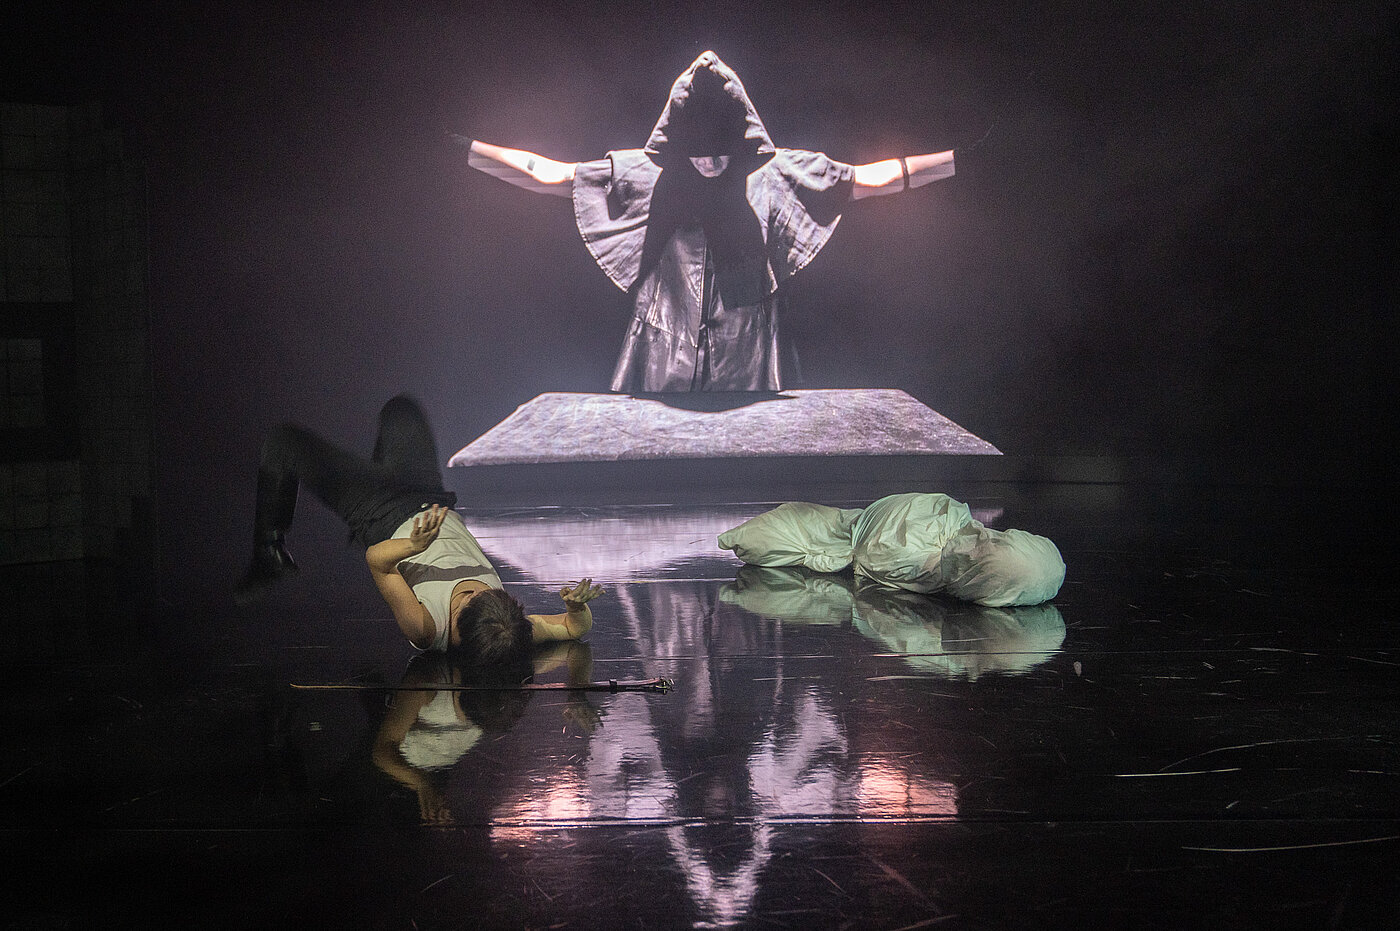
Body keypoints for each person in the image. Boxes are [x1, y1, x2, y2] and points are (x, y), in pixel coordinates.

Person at [461, 50, 956, 393]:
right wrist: (466, 151)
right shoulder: (645, 175)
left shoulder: (774, 175)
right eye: (698, 152)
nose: (710, 163)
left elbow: (868, 179)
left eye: (721, 151)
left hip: (751, 348)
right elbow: (549, 173)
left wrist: (956, 162)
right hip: (663, 340)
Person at [235, 395, 603, 664]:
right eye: (483, 593)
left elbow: (377, 562)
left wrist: (412, 546)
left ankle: (269, 554)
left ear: (456, 630)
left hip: (381, 514)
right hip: (430, 497)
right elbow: (574, 629)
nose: (472, 590)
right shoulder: (508, 628)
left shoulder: (426, 628)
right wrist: (575, 607)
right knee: (401, 409)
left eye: (466, 600)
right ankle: (376, 474)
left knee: (282, 444)